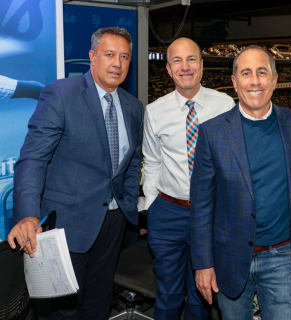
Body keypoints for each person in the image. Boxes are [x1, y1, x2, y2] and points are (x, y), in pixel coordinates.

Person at [189, 45, 291, 320]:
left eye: (262, 72)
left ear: (275, 80)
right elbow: (202, 206)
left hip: (282, 256)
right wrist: (203, 264)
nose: (255, 81)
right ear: (234, 82)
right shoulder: (212, 133)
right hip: (229, 257)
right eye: (246, 73)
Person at [7, 27, 144, 320]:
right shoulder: (60, 94)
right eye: (109, 55)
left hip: (112, 225)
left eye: (124, 56)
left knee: (98, 304)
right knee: (62, 313)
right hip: (66, 227)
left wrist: (127, 206)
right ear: (92, 57)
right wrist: (28, 214)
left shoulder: (134, 108)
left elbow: (133, 163)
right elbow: (33, 159)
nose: (117, 63)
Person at [142, 37, 235, 320]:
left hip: (210, 213)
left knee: (201, 296)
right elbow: (153, 161)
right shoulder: (154, 111)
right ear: (168, 69)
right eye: (177, 61)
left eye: (191, 59)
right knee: (168, 295)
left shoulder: (225, 105)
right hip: (168, 212)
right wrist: (151, 206)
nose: (185, 67)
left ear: (202, 66)